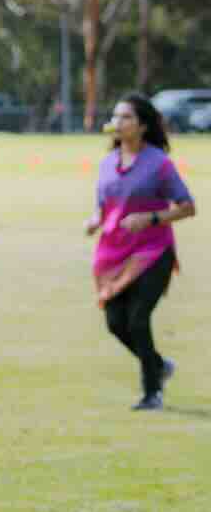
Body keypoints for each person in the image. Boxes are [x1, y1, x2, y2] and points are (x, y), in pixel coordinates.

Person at [87, 95, 195, 409]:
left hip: (153, 251)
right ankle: (159, 366)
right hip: (113, 254)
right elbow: (104, 205)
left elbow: (188, 207)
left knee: (137, 319)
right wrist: (95, 220)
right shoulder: (108, 163)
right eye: (116, 116)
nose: (118, 123)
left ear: (143, 126)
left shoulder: (158, 164)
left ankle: (152, 392)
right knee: (114, 322)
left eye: (126, 118)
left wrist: (151, 218)